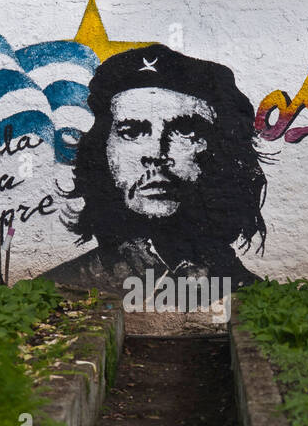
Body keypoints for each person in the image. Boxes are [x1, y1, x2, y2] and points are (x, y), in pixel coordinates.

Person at [38, 45, 267, 297]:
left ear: (222, 151)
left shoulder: (255, 301)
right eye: (132, 132)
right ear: (103, 151)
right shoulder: (58, 291)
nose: (156, 154)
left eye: (186, 132)